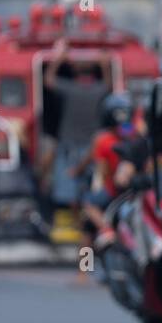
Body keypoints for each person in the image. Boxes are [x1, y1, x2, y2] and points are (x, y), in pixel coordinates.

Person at [42, 38, 112, 213]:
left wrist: (57, 60)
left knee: (68, 185)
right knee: (88, 185)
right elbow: (109, 86)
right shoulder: (98, 89)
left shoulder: (68, 88)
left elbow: (48, 80)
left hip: (70, 144)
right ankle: (84, 217)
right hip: (90, 146)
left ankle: (73, 217)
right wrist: (104, 65)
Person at [74, 91, 139, 247]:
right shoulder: (137, 135)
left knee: (88, 213)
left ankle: (105, 230)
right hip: (136, 190)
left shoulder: (103, 140)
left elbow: (101, 170)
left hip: (115, 190)